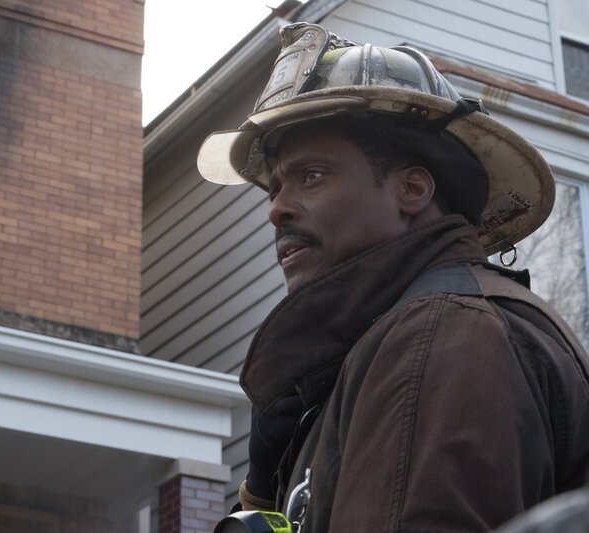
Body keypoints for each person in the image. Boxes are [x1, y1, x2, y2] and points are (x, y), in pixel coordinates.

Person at [196, 23, 589, 532]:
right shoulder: (381, 352)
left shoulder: (440, 333)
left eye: (311, 176)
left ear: (412, 190)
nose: (278, 210)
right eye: (274, 190)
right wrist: (266, 488)